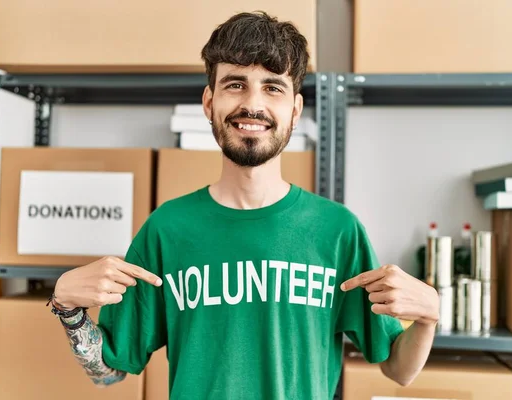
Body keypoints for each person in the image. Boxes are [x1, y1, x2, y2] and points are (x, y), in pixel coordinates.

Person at [48, 11, 439, 399]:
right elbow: (110, 371)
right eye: (235, 84)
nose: (253, 104)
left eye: (273, 87)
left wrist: (427, 317)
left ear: (296, 110)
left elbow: (398, 369)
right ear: (209, 102)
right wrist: (67, 305)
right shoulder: (167, 229)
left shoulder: (338, 231)